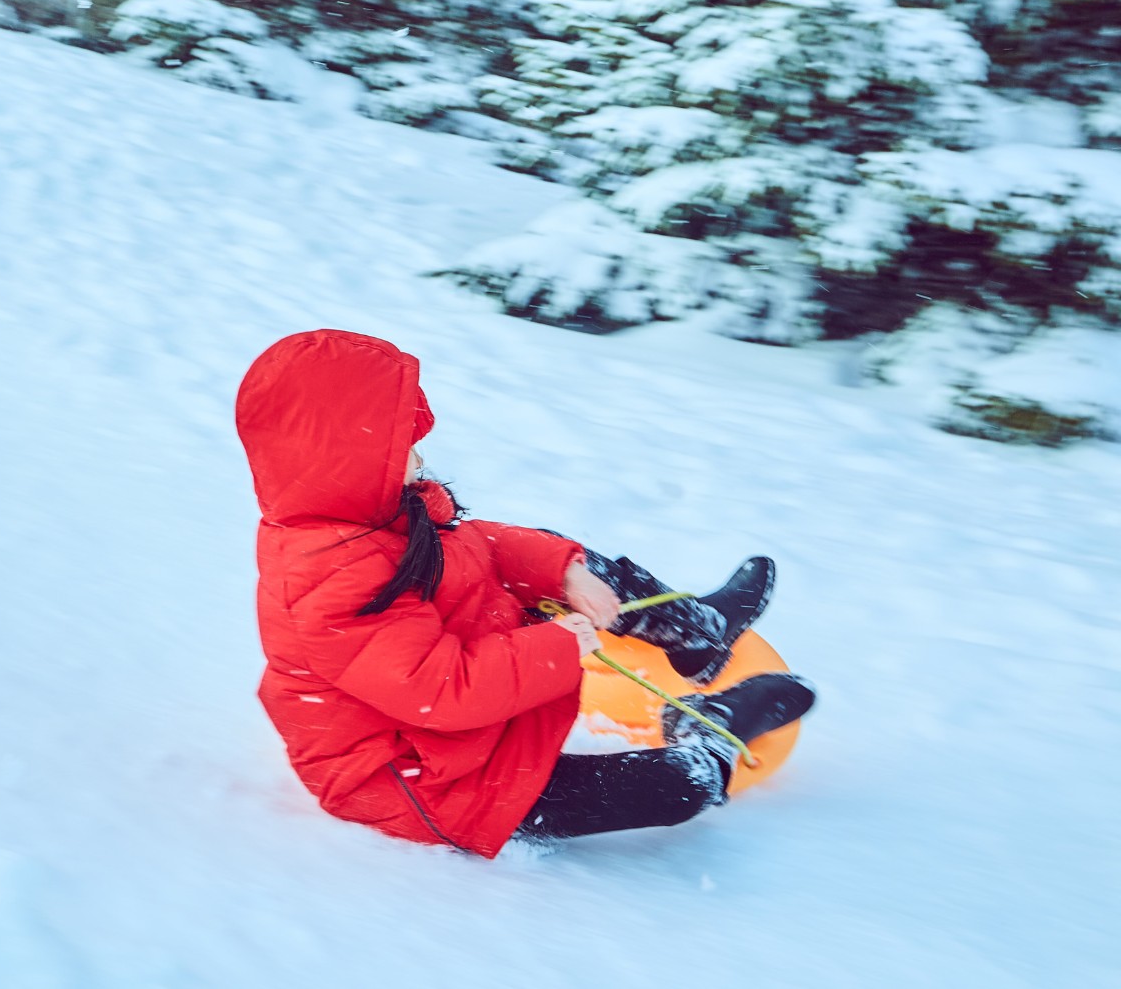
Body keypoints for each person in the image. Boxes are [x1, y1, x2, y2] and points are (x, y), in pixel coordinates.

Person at [238, 329, 816, 857]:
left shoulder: (373, 511)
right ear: (343, 456)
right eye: (398, 443)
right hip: (422, 779)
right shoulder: (326, 577)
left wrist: (567, 573)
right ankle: (701, 736)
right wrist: (560, 645)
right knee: (672, 793)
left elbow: (479, 546)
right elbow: (437, 690)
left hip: (457, 729)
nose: (419, 454)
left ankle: (695, 633)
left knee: (564, 563)